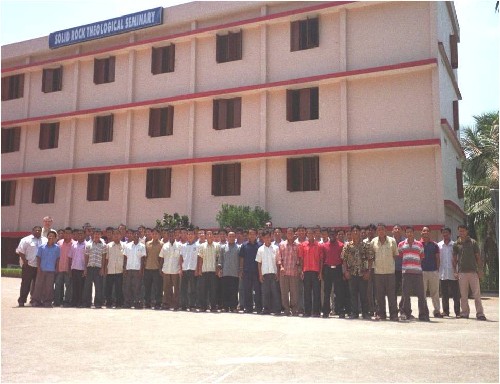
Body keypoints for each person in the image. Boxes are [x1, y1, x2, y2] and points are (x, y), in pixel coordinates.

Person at [453, 225, 486, 320]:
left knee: (476, 294)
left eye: (463, 231)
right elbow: (454, 259)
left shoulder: (473, 242)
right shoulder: (456, 244)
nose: (461, 233)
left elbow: (478, 257)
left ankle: (480, 313)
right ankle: (464, 313)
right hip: (462, 273)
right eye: (460, 231)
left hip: (473, 272)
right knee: (463, 295)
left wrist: (480, 270)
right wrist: (455, 271)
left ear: (467, 231)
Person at [341, 225, 374, 320]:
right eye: (354, 231)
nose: (355, 233)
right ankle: (354, 313)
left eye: (357, 231)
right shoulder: (347, 246)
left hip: (363, 273)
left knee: (364, 295)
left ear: (360, 233)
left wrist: (369, 272)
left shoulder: (365, 245)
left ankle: (365, 313)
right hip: (352, 273)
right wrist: (345, 271)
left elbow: (370, 259)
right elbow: (343, 260)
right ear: (351, 233)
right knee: (353, 295)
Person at [398, 226, 430, 321]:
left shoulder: (419, 244)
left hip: (417, 273)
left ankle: (423, 314)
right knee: (406, 294)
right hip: (406, 273)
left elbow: (421, 257)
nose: (409, 234)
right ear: (405, 233)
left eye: (411, 232)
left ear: (413, 233)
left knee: (421, 295)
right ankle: (406, 313)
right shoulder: (401, 244)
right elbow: (400, 256)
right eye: (407, 232)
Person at [370, 224, 399, 321]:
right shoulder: (373, 242)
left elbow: (395, 255)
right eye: (379, 230)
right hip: (378, 273)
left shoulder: (392, 241)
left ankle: (394, 314)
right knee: (380, 295)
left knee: (391, 294)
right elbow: (371, 257)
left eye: (382, 229)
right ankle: (381, 314)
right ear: (377, 231)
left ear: (386, 230)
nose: (381, 231)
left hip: (390, 272)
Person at [16, 226, 46, 306]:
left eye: (39, 230)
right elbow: (20, 251)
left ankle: (35, 301)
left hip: (40, 267)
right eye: (36, 230)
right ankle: (22, 300)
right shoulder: (26, 240)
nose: (37, 231)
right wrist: (25, 262)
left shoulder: (45, 240)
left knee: (38, 285)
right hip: (28, 266)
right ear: (32, 231)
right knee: (25, 284)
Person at [298, 228, 324, 317]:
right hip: (306, 271)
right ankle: (307, 311)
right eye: (308, 233)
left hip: (316, 271)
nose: (310, 235)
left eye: (311, 233)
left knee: (316, 292)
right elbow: (301, 259)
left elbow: (321, 260)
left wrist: (320, 272)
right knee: (307, 292)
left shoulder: (319, 245)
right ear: (306, 235)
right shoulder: (303, 245)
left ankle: (316, 311)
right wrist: (301, 271)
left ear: (314, 234)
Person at [32, 230, 60, 307]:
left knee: (49, 287)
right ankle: (36, 301)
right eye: (49, 235)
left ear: (55, 238)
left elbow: (58, 259)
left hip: (51, 270)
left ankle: (47, 301)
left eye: (53, 236)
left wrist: (56, 268)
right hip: (42, 269)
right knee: (38, 286)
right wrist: (38, 267)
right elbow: (38, 258)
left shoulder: (57, 248)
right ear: (47, 237)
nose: (51, 237)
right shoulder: (42, 247)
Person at [321, 229, 345, 318]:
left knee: (339, 291)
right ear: (328, 235)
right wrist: (322, 272)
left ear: (336, 235)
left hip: (338, 269)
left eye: (333, 234)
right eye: (330, 234)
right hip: (327, 269)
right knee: (327, 291)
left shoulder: (341, 245)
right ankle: (326, 311)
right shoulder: (324, 246)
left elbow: (343, 260)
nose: (332, 235)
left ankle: (340, 310)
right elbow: (322, 259)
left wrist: (343, 271)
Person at [256, 230, 281, 315]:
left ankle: (277, 309)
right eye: (265, 237)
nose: (267, 239)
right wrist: (260, 274)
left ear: (271, 237)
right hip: (265, 274)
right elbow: (259, 263)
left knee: (275, 292)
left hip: (274, 273)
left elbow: (278, 261)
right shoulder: (260, 249)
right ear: (262, 238)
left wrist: (278, 273)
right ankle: (266, 309)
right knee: (265, 292)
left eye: (268, 237)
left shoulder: (276, 248)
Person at [438, 227, 460, 317]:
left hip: (453, 273)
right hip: (442, 273)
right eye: (443, 233)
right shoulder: (439, 245)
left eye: (446, 232)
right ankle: (446, 311)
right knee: (444, 294)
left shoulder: (455, 245)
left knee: (456, 294)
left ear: (450, 234)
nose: (445, 234)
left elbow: (458, 258)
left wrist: (457, 271)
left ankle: (457, 312)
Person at [239, 228, 262, 314]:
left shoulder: (260, 245)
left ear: (256, 235)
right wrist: (241, 270)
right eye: (250, 234)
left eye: (253, 234)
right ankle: (248, 308)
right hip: (247, 271)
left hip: (257, 272)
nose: (252, 235)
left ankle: (258, 308)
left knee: (258, 291)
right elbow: (241, 258)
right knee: (247, 290)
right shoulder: (244, 245)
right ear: (248, 235)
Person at [278, 227, 300, 316]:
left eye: (291, 233)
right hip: (284, 273)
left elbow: (299, 258)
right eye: (288, 233)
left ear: (294, 234)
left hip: (294, 272)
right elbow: (279, 258)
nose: (289, 234)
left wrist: (298, 266)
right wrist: (281, 267)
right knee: (284, 292)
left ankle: (294, 309)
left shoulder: (298, 245)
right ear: (286, 234)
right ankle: (286, 309)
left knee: (294, 293)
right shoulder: (282, 245)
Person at [420, 226, 442, 318]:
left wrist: (437, 269)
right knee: (422, 293)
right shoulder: (418, 244)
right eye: (424, 230)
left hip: (433, 271)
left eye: (428, 231)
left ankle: (437, 311)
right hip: (422, 272)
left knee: (435, 292)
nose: (426, 232)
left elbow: (437, 258)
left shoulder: (434, 245)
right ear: (421, 232)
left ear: (430, 233)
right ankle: (423, 311)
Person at [197, 230, 220, 312]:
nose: (209, 235)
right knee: (203, 289)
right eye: (208, 234)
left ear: (213, 236)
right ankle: (203, 306)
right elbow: (200, 258)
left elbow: (218, 259)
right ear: (206, 236)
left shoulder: (217, 246)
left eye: (211, 234)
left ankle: (213, 306)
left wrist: (218, 270)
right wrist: (199, 270)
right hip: (204, 270)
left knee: (213, 290)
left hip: (213, 271)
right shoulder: (202, 246)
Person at [83, 229, 106, 308]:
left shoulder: (103, 246)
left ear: (100, 235)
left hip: (98, 268)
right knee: (87, 286)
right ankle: (86, 303)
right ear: (93, 235)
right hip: (90, 267)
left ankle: (98, 303)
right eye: (95, 234)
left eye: (98, 234)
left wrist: (102, 268)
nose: (96, 235)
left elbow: (103, 257)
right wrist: (85, 268)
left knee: (98, 287)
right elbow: (86, 256)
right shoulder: (89, 245)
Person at [159, 230, 182, 310]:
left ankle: (176, 304)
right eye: (170, 235)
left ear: (175, 236)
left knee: (176, 289)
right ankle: (166, 303)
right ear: (168, 236)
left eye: (173, 235)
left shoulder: (179, 245)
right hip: (166, 270)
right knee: (166, 288)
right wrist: (160, 268)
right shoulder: (165, 246)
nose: (171, 237)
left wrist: (180, 269)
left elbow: (181, 258)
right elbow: (161, 257)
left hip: (176, 270)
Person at [123, 230, 146, 309]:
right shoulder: (127, 245)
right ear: (132, 236)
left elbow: (143, 259)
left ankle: (137, 302)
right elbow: (125, 258)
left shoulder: (142, 246)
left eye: (137, 234)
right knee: (128, 286)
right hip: (128, 268)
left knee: (137, 286)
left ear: (139, 236)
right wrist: (124, 268)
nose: (136, 236)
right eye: (134, 234)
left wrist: (141, 270)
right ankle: (128, 302)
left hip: (137, 269)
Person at [219, 231, 241, 312]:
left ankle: (233, 306)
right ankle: (225, 306)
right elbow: (221, 259)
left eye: (233, 236)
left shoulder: (238, 247)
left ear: (235, 237)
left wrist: (240, 270)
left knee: (234, 290)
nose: (231, 238)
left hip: (235, 273)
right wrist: (220, 269)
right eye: (230, 236)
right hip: (225, 272)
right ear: (227, 237)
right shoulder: (223, 247)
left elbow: (240, 260)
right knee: (225, 290)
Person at [144, 228, 163, 309]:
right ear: (151, 234)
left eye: (156, 234)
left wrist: (160, 268)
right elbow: (145, 256)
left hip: (157, 269)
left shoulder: (162, 244)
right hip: (148, 268)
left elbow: (162, 258)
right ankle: (147, 303)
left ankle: (158, 303)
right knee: (147, 287)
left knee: (158, 287)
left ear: (159, 235)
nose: (154, 235)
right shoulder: (147, 244)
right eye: (153, 234)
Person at [105, 229, 125, 308]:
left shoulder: (124, 245)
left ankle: (119, 303)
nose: (116, 236)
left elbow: (125, 257)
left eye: (118, 234)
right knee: (109, 288)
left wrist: (124, 267)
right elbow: (106, 258)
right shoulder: (108, 246)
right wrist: (105, 268)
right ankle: (108, 302)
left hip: (120, 270)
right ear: (112, 236)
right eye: (114, 234)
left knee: (119, 288)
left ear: (121, 236)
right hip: (110, 269)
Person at [179, 229, 199, 311]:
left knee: (193, 289)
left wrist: (197, 269)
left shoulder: (197, 246)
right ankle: (183, 305)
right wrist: (180, 269)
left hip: (193, 269)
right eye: (189, 234)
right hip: (184, 269)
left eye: (191, 234)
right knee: (183, 288)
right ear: (187, 235)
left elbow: (198, 258)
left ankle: (192, 305)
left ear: (194, 235)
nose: (190, 236)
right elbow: (181, 258)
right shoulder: (183, 246)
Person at [54, 227, 73, 307]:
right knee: (58, 285)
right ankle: (57, 301)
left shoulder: (74, 244)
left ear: (71, 234)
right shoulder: (59, 243)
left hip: (69, 269)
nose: (67, 234)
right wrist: (56, 267)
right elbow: (56, 256)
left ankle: (67, 301)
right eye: (66, 233)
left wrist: (71, 269)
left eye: (69, 233)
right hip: (60, 268)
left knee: (68, 286)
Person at [69, 229, 86, 307]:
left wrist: (86, 269)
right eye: (78, 234)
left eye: (81, 234)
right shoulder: (73, 244)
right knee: (74, 286)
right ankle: (74, 302)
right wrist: (70, 268)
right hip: (74, 268)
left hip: (82, 269)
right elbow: (70, 257)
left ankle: (80, 302)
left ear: (84, 235)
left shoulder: (87, 245)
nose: (79, 235)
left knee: (81, 287)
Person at [392, 224, 405, 314]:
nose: (397, 230)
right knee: (393, 291)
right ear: (392, 231)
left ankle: (403, 308)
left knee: (405, 291)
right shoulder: (389, 241)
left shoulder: (405, 242)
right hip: (392, 270)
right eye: (395, 229)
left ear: (401, 231)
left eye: (398, 229)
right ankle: (394, 309)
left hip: (403, 269)